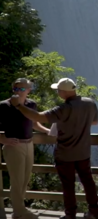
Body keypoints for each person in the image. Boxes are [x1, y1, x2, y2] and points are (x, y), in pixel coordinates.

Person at [10, 77, 98, 219]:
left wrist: (19, 106)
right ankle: (95, 212)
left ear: (63, 92)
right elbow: (95, 122)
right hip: (83, 152)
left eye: (58, 90)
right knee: (88, 182)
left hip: (65, 154)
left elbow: (39, 117)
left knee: (68, 185)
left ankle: (70, 215)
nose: (57, 92)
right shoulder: (89, 103)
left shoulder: (63, 109)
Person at [0, 78, 50, 219]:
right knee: (17, 180)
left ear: (29, 90)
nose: (19, 91)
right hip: (14, 146)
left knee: (25, 179)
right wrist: (3, 139)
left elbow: (34, 123)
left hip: (29, 144)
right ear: (13, 89)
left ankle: (19, 210)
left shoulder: (31, 104)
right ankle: (19, 210)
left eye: (22, 89)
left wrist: (47, 131)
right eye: (16, 88)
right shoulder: (4, 105)